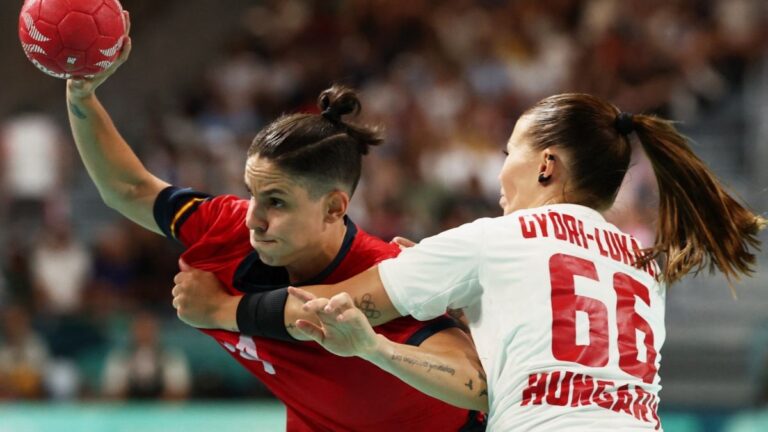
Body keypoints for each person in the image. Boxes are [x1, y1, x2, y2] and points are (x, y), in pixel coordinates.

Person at [187, 93, 765, 430]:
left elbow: (327, 306)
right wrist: (467, 320)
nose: (499, 171)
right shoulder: (642, 267)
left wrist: (221, 307)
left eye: (508, 152)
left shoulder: (494, 238)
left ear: (545, 166)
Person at [66, 15, 484, 431]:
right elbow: (130, 189)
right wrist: (82, 98)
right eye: (253, 193)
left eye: (277, 202)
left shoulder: (390, 275)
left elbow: (475, 384)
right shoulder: (228, 230)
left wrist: (220, 310)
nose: (255, 218)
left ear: (334, 208)